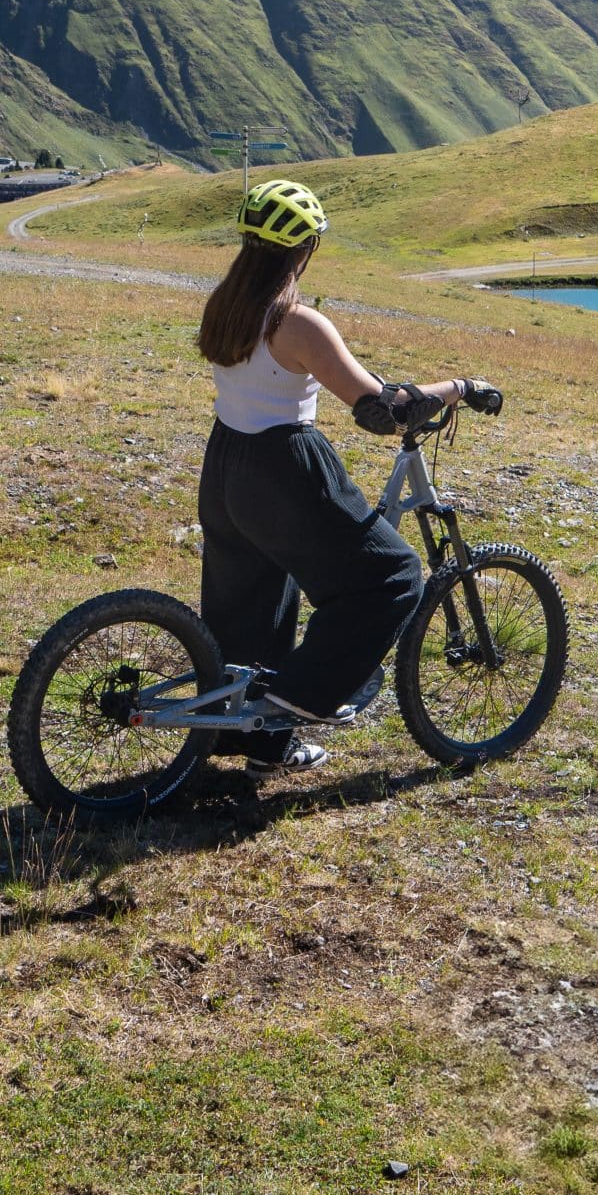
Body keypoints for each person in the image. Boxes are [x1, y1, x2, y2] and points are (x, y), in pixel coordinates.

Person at [195, 179, 499, 777]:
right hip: (283, 464)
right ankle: (300, 698)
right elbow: (381, 410)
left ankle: (258, 740)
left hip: (227, 460)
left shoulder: (225, 304)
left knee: (252, 602)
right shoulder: (297, 322)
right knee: (391, 577)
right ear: (303, 248)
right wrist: (459, 388)